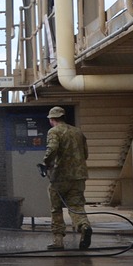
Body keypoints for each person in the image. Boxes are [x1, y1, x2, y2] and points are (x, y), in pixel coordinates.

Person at [41, 106, 92, 250]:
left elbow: (52, 149)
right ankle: (84, 226)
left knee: (56, 208)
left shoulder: (54, 131)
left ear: (52, 119)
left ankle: (58, 241)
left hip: (60, 177)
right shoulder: (78, 132)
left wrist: (46, 163)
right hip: (79, 176)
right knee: (76, 206)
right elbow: (85, 154)